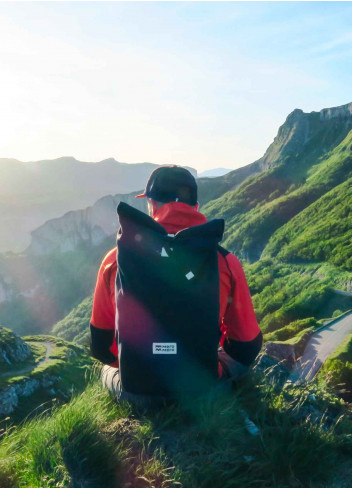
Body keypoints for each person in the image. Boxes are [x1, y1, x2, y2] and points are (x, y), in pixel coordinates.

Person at [90, 165, 262, 403]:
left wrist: (141, 368)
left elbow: (101, 345)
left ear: (152, 206)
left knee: (105, 370)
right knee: (234, 364)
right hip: (203, 392)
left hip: (136, 394)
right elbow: (247, 346)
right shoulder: (224, 261)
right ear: (197, 208)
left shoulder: (115, 260)